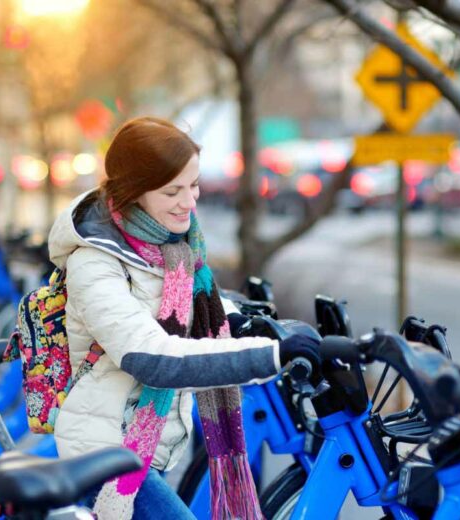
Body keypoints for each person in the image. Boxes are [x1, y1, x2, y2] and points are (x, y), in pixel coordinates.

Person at [47, 117, 320, 520]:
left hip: (142, 448)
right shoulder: (96, 262)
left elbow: (201, 308)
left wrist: (256, 324)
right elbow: (152, 357)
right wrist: (270, 356)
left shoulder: (171, 247)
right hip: (102, 454)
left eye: (193, 186)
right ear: (132, 191)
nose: (189, 203)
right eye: (172, 190)